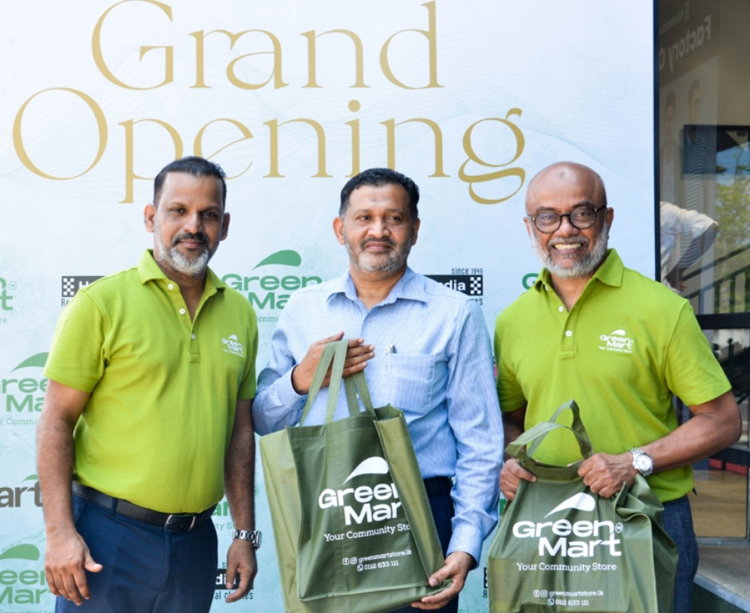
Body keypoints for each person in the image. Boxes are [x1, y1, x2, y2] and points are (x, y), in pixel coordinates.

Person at [495, 161, 741, 613]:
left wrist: (635, 461)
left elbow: (722, 421)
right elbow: (512, 420)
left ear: (606, 219)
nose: (565, 230)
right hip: (547, 523)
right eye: (548, 217)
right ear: (531, 227)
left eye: (581, 213)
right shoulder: (512, 321)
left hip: (647, 518)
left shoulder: (661, 309)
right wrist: (510, 462)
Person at [254, 167, 502, 612]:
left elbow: (479, 441)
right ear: (340, 229)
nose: (378, 231)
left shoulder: (454, 313)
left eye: (394, 218)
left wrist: (465, 543)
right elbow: (263, 421)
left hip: (421, 517)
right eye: (364, 218)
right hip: (325, 513)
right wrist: (299, 381)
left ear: (415, 229)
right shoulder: (303, 309)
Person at [37, 156, 261, 612]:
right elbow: (56, 420)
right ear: (150, 217)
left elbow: (240, 431)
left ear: (224, 226)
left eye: (208, 214)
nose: (193, 226)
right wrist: (60, 533)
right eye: (178, 210)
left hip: (196, 542)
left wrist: (243, 533)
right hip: (107, 538)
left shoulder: (240, 312)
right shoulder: (101, 303)